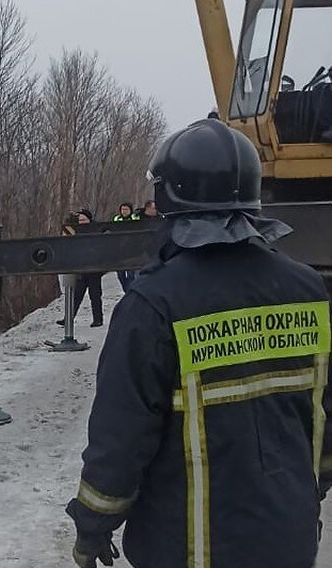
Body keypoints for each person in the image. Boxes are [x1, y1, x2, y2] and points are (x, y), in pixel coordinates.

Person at [66, 119, 332, 568]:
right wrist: (303, 499)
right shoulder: (308, 289)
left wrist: (93, 528)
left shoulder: (153, 305)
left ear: (169, 199)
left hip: (190, 548)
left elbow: (121, 438)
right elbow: (322, 417)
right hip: (290, 539)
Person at [57, 208, 105, 328]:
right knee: (77, 295)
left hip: (94, 268)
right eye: (80, 220)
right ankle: (68, 318)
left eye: (84, 219)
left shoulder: (96, 229)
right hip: (81, 268)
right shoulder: (75, 230)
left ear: (89, 219)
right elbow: (68, 240)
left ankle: (98, 319)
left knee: (95, 295)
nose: (82, 222)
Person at [111, 203, 140, 292]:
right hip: (120, 250)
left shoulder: (135, 218)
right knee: (120, 275)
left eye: (126, 209)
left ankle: (130, 292)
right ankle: (127, 291)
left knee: (131, 274)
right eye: (122, 209)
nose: (124, 211)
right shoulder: (116, 218)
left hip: (132, 249)